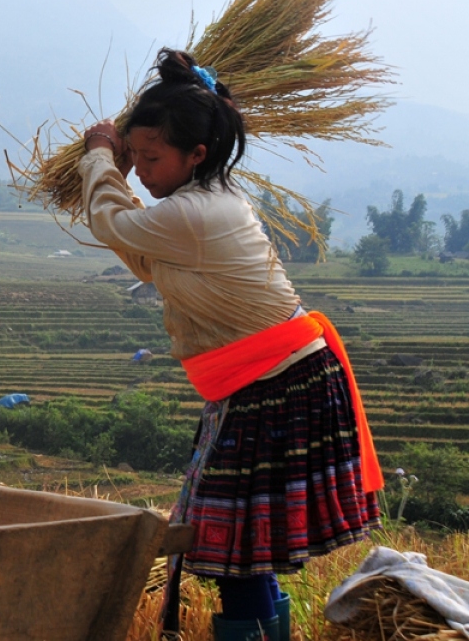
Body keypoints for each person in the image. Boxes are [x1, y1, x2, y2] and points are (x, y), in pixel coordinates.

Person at [80, 49, 382, 641]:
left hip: (276, 386)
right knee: (247, 551)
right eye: (133, 156)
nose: (139, 170)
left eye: (149, 157)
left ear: (197, 154)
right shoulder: (199, 207)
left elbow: (111, 225)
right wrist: (114, 171)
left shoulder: (195, 213)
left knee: (236, 551)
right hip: (269, 383)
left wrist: (98, 157)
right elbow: (143, 259)